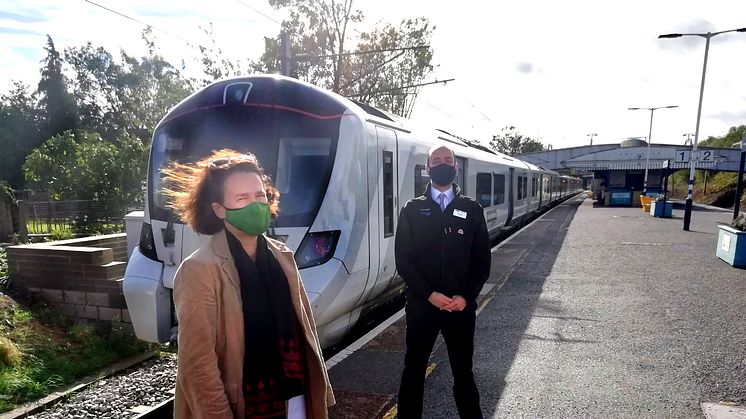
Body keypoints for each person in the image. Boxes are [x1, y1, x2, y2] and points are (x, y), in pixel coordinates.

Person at [163, 149, 334, 419]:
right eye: (242, 198)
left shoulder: (282, 255)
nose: (256, 205)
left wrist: (321, 393)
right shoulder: (199, 269)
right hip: (242, 406)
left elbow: (306, 331)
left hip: (295, 396)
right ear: (219, 209)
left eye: (260, 196)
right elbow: (197, 365)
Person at [395, 145, 491, 419]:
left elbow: (481, 261)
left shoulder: (471, 209)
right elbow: (404, 261)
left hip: (460, 309)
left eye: (447, 160)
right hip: (422, 307)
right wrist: (429, 294)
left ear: (456, 167)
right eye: (436, 161)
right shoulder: (412, 210)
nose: (442, 164)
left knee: (463, 372)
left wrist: (465, 297)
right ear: (427, 169)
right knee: (413, 371)